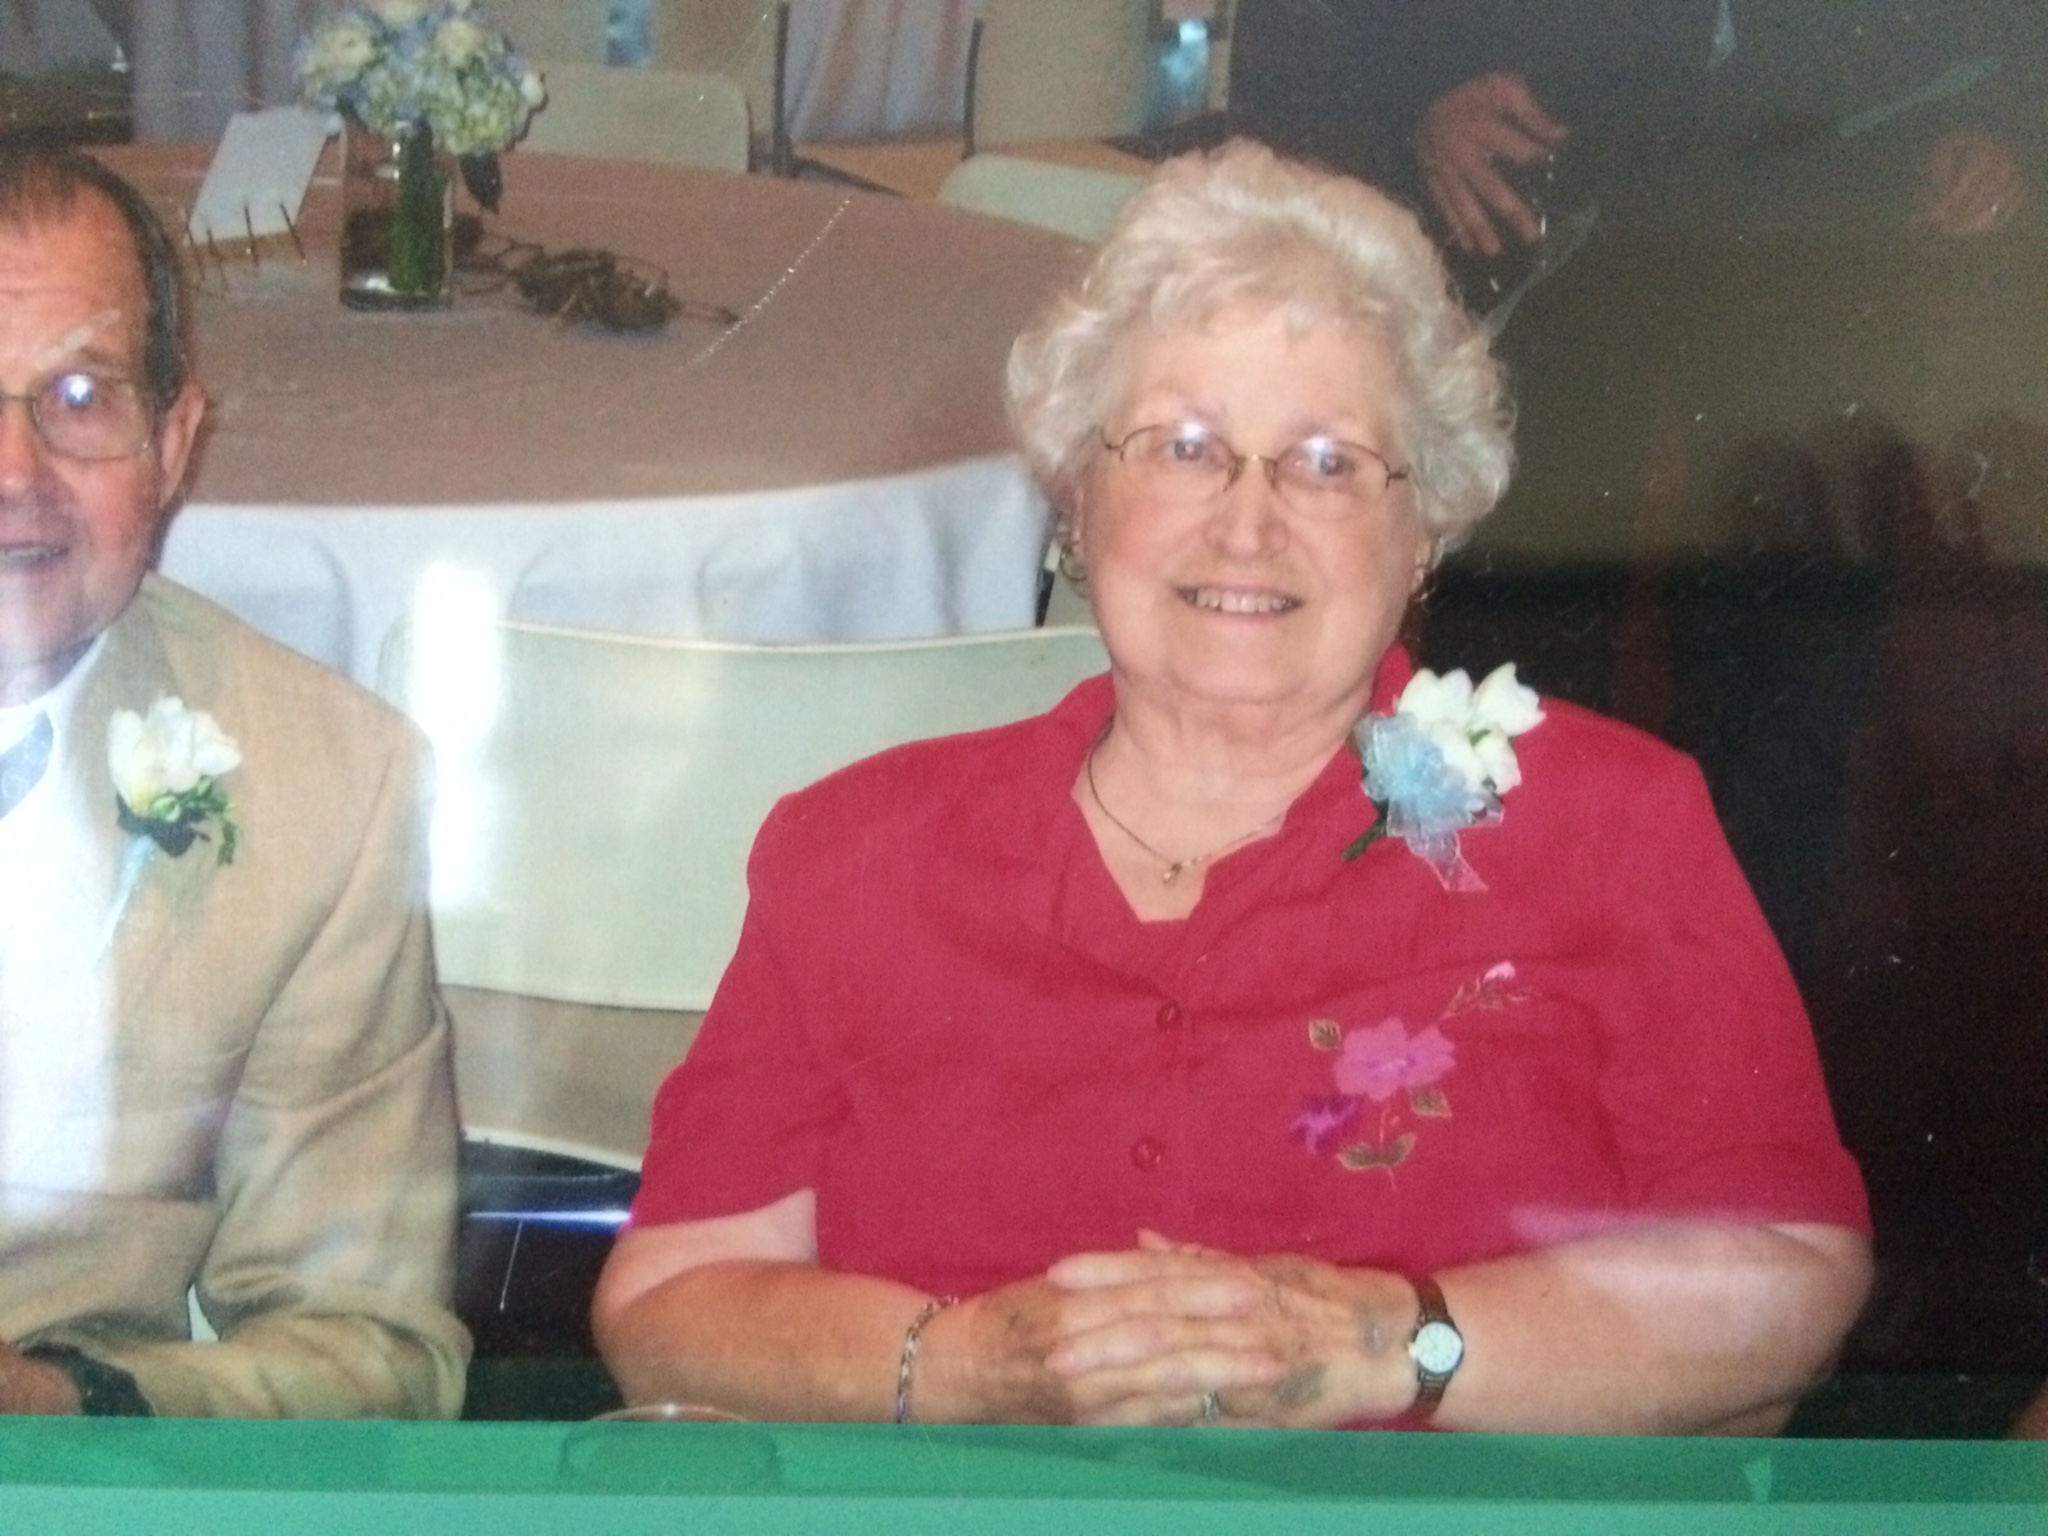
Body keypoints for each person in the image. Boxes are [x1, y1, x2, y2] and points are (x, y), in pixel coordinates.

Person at [593, 141, 1870, 1431]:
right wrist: (969, 1364)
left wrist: (1395, 1345)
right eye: (1182, 447)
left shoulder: (1605, 825)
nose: (1246, 524)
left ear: (1422, 533)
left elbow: (1784, 1277)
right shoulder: (859, 850)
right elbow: (668, 1309)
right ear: (1076, 503)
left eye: (1326, 463)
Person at [0, 148, 467, 1418]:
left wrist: (61, 1404)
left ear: (171, 446)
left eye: (80, 398)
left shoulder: (328, 790)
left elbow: (371, 1348)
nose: (15, 473)